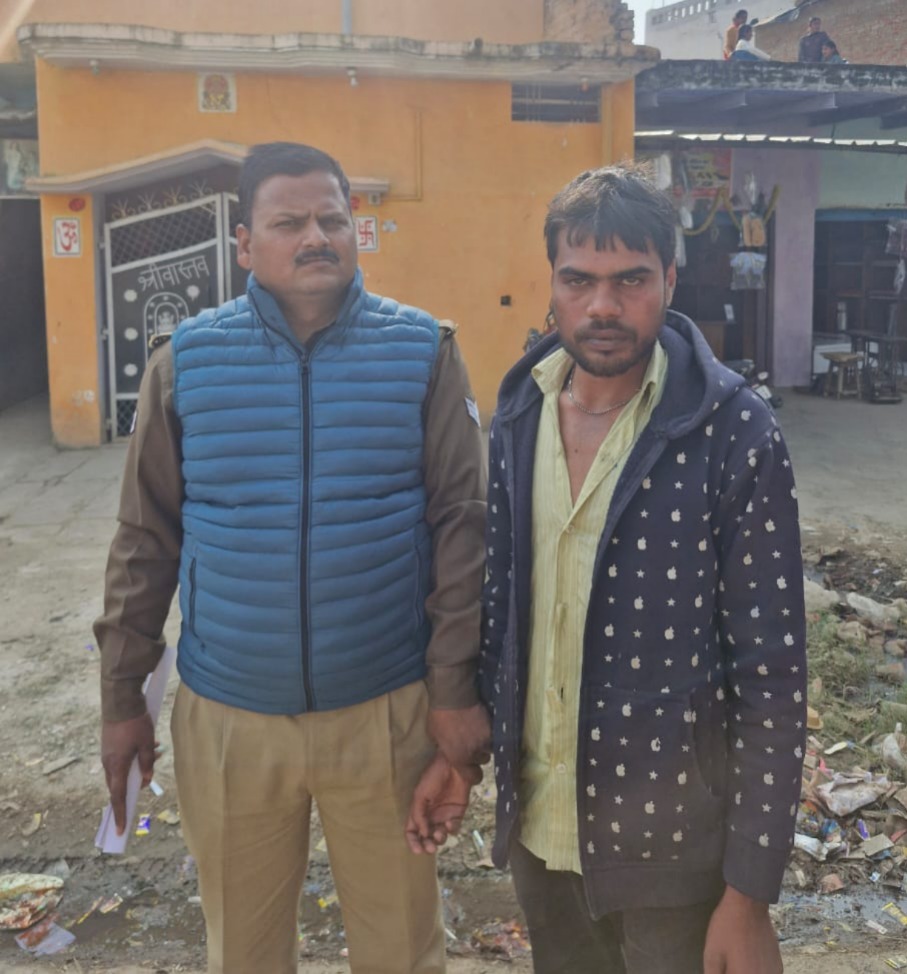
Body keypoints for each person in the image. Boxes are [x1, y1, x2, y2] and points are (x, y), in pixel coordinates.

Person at [96, 141, 490, 974]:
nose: (315, 237)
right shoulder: (185, 364)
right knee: (242, 951)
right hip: (230, 721)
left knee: (401, 951)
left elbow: (463, 526)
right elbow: (144, 540)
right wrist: (121, 696)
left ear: (355, 230)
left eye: (330, 220)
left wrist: (454, 689)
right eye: (287, 223)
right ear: (244, 244)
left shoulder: (422, 351)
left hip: (385, 712)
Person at [477, 165, 807, 973]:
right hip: (541, 832)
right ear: (551, 284)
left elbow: (771, 675)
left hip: (675, 853)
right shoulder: (519, 412)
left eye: (629, 280)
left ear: (668, 280)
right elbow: (499, 605)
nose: (602, 306)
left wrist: (747, 895)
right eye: (578, 280)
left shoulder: (733, 431)